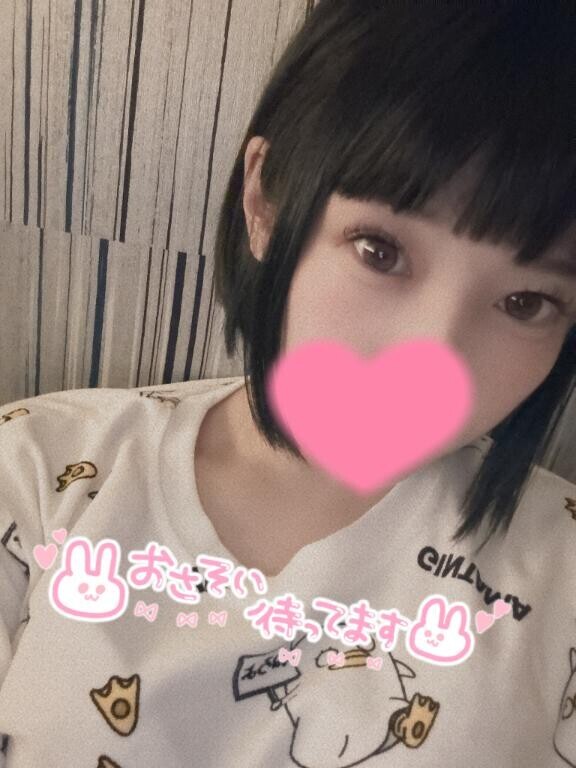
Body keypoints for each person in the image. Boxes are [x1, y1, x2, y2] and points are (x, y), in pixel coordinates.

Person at [1, 2, 576, 766]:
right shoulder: (32, 471)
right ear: (266, 202)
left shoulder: (563, 575)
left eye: (525, 303)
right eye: (379, 251)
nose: (431, 361)